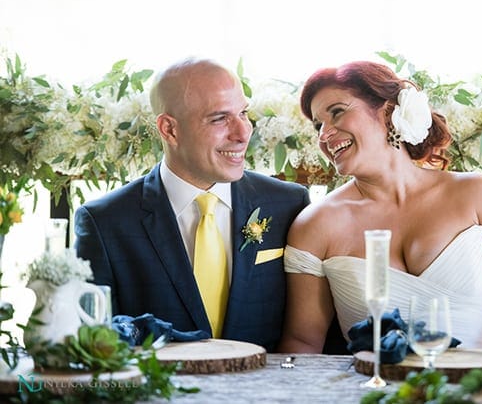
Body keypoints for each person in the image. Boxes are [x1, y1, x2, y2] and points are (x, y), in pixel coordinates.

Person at [278, 61, 482, 354]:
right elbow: (302, 343)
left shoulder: (478, 195)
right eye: (318, 126)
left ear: (389, 111)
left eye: (337, 112)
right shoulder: (314, 226)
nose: (324, 135)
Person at [74, 58, 310, 352]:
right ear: (170, 130)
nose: (243, 133)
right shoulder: (104, 223)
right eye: (219, 118)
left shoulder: (289, 204)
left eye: (243, 113)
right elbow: (94, 347)